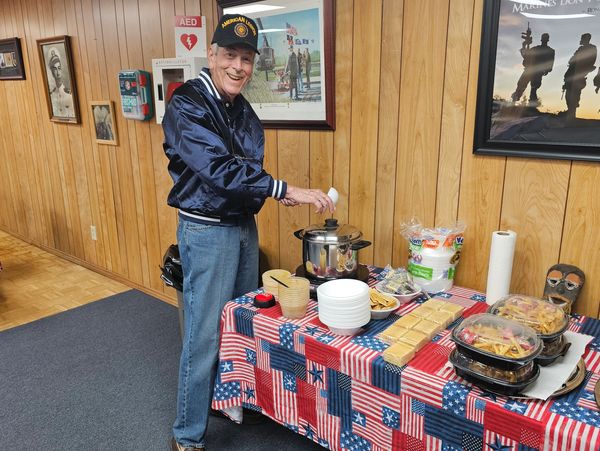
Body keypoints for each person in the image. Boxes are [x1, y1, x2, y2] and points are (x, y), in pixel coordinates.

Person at [162, 14, 335, 451]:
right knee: (203, 335)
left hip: (241, 225)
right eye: (229, 55)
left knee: (240, 321)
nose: (238, 66)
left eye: (246, 58)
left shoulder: (238, 104)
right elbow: (219, 169)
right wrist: (282, 188)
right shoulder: (187, 103)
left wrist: (274, 190)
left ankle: (228, 399)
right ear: (212, 54)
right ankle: (186, 435)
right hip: (207, 231)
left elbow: (246, 167)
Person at [511, 32, 555, 105]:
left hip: (537, 71)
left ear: (547, 40)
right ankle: (513, 102)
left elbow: (550, 63)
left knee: (533, 88)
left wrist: (546, 70)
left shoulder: (550, 51)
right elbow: (526, 55)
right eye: (544, 38)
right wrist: (524, 45)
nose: (544, 39)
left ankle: (532, 105)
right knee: (521, 86)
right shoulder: (536, 49)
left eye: (545, 38)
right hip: (530, 70)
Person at [563, 33, 597, 120]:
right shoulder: (580, 49)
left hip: (580, 73)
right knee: (568, 94)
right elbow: (572, 60)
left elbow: (592, 60)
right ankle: (570, 111)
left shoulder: (592, 48)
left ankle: (572, 113)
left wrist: (585, 68)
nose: (581, 40)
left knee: (575, 94)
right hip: (572, 73)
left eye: (582, 38)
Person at [46, 47, 74, 118]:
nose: (58, 72)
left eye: (59, 68)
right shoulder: (52, 94)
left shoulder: (68, 93)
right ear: (52, 72)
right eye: (55, 69)